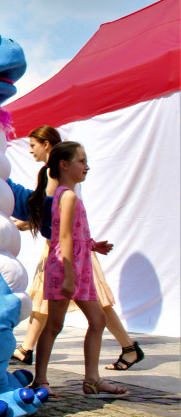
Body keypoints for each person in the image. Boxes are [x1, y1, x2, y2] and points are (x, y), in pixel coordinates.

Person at [12, 126, 144, 371]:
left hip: (67, 252)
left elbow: (56, 223)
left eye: (33, 145)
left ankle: (30, 353)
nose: (30, 150)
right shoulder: (60, 182)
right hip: (67, 252)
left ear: (48, 146)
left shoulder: (57, 179)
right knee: (59, 310)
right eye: (82, 161)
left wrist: (86, 248)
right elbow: (56, 220)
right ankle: (30, 353)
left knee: (89, 308)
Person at [30, 142, 127, 399]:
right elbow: (63, 238)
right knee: (54, 325)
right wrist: (69, 276)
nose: (87, 166)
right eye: (81, 161)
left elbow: (72, 233)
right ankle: (40, 379)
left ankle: (92, 379)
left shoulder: (67, 194)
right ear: (64, 165)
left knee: (98, 320)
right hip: (67, 268)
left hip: (77, 267)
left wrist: (94, 245)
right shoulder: (68, 195)